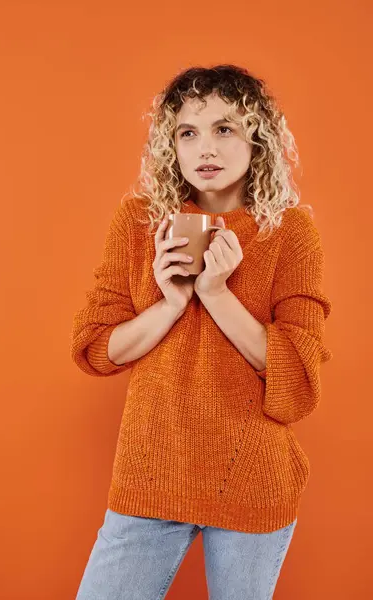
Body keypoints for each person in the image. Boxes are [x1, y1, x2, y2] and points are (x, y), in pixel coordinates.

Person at [70, 64, 333, 600]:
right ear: (172, 144)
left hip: (251, 479)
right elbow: (95, 348)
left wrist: (217, 294)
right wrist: (170, 304)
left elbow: (299, 387)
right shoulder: (139, 223)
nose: (205, 148)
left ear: (257, 138)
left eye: (224, 129)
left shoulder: (291, 233)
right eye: (188, 132)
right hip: (152, 473)